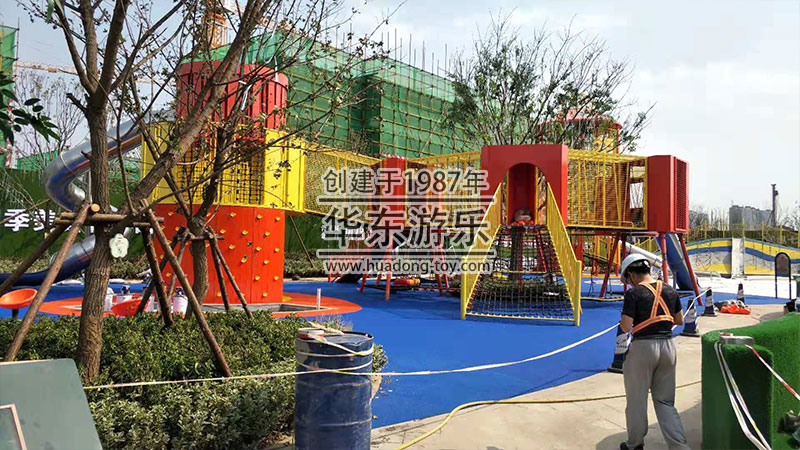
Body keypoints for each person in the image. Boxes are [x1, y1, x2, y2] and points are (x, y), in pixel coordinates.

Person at [617, 253, 690, 450]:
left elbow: (626, 326)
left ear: (632, 274)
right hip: (668, 346)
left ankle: (635, 444)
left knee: (637, 400)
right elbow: (679, 320)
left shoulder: (634, 294)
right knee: (665, 401)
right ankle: (679, 446)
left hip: (643, 348)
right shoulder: (670, 290)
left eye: (627, 279)